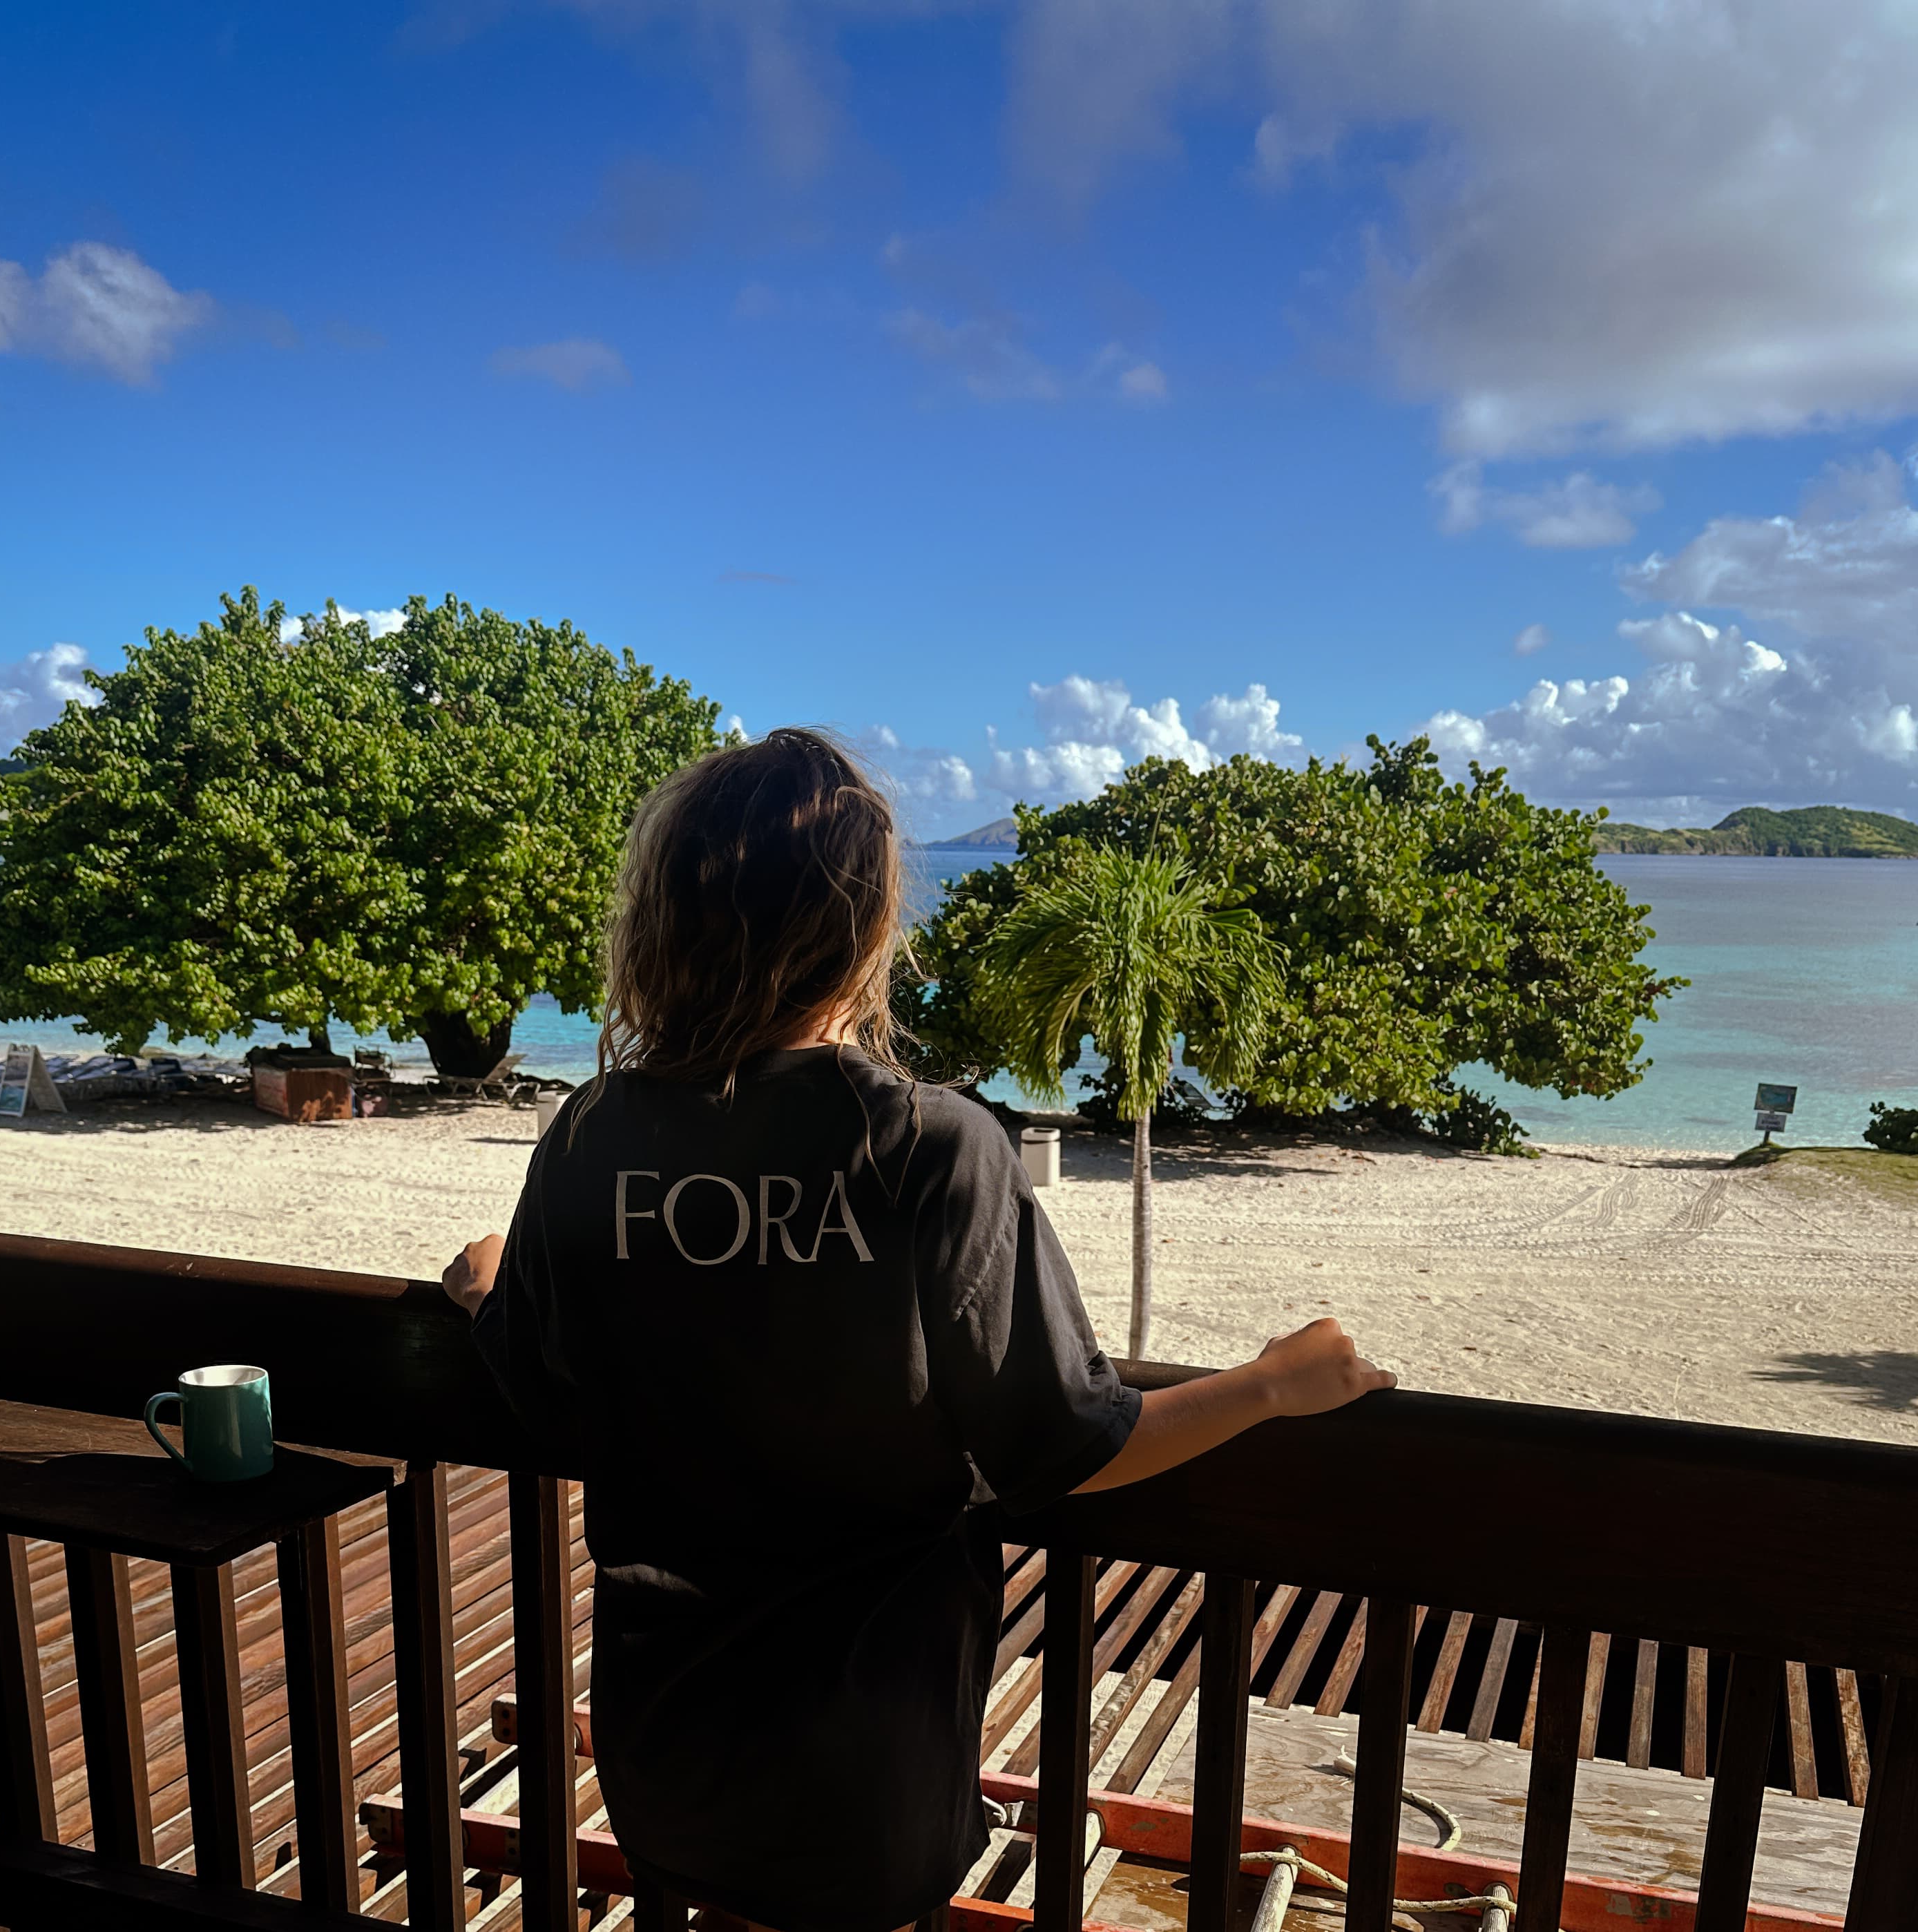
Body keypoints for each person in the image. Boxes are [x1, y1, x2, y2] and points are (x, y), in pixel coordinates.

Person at [442, 727, 1394, 1932]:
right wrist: (1266, 1383)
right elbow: (1067, 1441)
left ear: (669, 922)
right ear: (863, 934)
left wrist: (484, 1287)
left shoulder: (593, 1135)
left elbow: (542, 1373)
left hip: (667, 1734)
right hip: (867, 1760)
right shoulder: (936, 1150)